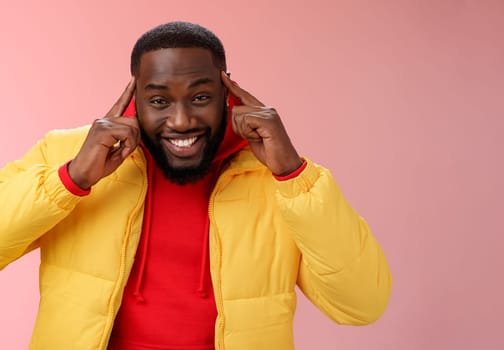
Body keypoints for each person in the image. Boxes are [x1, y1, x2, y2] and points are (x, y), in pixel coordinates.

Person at [0, 21, 391, 349]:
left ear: (228, 91)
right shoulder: (69, 154)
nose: (182, 120)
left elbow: (361, 305)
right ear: (135, 94)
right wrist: (72, 179)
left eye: (200, 96)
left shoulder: (281, 178)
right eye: (159, 101)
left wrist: (293, 174)